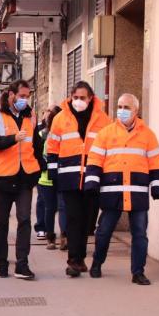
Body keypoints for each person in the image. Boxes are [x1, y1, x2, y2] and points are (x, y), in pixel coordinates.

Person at [85, 93, 159, 285]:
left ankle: (138, 272)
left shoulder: (147, 134)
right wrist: (92, 183)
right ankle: (97, 263)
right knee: (104, 231)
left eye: (126, 107)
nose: (121, 111)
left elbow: (156, 161)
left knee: (139, 234)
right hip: (112, 192)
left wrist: (158, 187)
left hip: (137, 192)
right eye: (119, 106)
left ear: (136, 110)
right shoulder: (106, 133)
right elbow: (95, 159)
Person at [46, 81, 111, 277]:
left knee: (87, 222)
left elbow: (109, 149)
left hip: (93, 178)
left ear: (91, 98)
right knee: (74, 219)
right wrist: (53, 174)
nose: (78, 101)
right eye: (75, 97)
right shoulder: (60, 118)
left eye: (82, 98)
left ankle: (80, 257)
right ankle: (74, 261)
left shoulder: (103, 120)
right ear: (70, 97)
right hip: (69, 177)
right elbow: (52, 148)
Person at [0, 80, 39, 280]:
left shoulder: (29, 115)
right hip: (2, 177)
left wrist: (37, 170)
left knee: (24, 220)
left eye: (27, 96)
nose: (25, 99)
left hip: (25, 177)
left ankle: (22, 265)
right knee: (0, 222)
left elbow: (36, 144)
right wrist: (13, 139)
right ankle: (2, 261)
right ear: (11, 94)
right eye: (22, 95)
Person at [34, 105, 64, 250]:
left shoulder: (65, 135)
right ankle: (50, 237)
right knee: (50, 208)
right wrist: (43, 165)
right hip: (45, 179)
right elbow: (36, 154)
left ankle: (64, 236)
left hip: (63, 177)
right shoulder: (41, 135)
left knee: (63, 207)